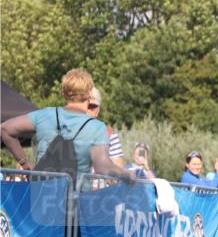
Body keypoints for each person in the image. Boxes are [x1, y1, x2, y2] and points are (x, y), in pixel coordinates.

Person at [0, 69, 134, 184]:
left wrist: (25, 163)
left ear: (64, 94)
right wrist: (127, 174)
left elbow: (5, 129)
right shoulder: (97, 127)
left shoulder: (44, 115)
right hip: (77, 201)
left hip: (41, 200)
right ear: (89, 94)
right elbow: (102, 167)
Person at [86, 87, 126, 167]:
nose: (86, 110)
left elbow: (118, 169)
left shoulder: (110, 135)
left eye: (91, 106)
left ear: (97, 110)